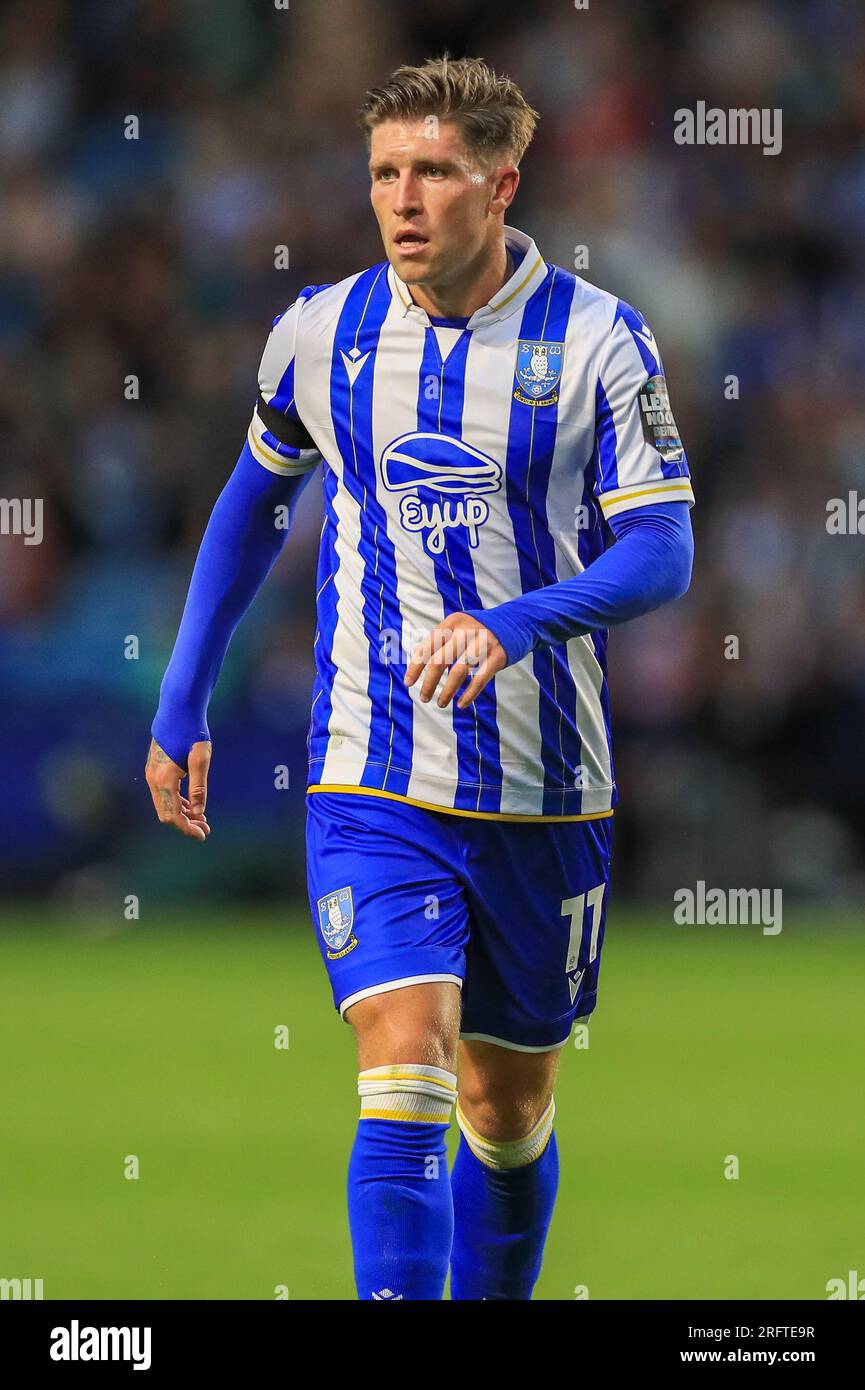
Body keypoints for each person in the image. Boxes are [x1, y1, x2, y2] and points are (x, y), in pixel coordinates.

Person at [145, 54, 694, 1301]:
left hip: (548, 789)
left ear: (501, 185)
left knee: (506, 1115)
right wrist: (184, 693)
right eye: (385, 173)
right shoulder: (321, 331)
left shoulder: (601, 341)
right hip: (372, 777)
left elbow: (664, 548)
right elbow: (250, 505)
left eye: (434, 173)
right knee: (404, 1065)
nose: (402, 199)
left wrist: (518, 620)